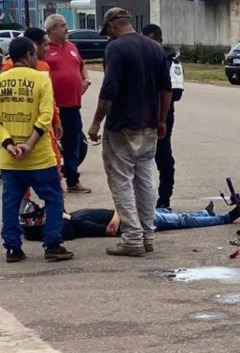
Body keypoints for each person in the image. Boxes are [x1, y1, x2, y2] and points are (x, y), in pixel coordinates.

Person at [88, 7, 172, 257]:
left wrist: (95, 123)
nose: (108, 36)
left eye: (108, 32)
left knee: (121, 180)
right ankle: (147, 236)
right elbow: (166, 89)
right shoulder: (156, 48)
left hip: (122, 126)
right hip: (148, 125)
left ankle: (132, 238)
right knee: (145, 181)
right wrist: (161, 120)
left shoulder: (116, 48)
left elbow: (109, 90)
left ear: (113, 25)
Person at [0, 37, 73, 263]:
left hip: (10, 159)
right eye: (35, 54)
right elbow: (45, 117)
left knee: (11, 204)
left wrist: (9, 144)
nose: (38, 58)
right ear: (28, 55)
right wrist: (29, 144)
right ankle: (52, 245)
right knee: (53, 200)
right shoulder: (40, 80)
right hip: (39, 158)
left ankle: (13, 249)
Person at [1, 27, 64, 191]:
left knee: (45, 166)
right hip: (30, 127)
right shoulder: (38, 68)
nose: (48, 49)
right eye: (45, 45)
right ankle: (47, 209)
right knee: (44, 168)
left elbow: (50, 100)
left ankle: (31, 208)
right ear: (33, 48)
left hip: (29, 126)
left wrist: (56, 120)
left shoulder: (40, 66)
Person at [21, 200, 240, 241]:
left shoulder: (70, 219)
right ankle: (225, 218)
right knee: (180, 220)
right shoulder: (74, 224)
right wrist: (119, 212)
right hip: (128, 221)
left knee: (169, 214)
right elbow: (108, 230)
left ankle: (204, 214)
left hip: (128, 216)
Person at [44, 14, 93, 194]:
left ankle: (72, 180)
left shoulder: (71, 47)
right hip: (51, 107)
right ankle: (52, 182)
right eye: (63, 25)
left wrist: (86, 79)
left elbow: (81, 65)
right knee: (49, 145)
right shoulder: (43, 49)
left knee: (74, 144)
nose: (66, 28)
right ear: (52, 30)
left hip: (72, 105)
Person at [141, 23, 184, 209]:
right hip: (141, 115)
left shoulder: (171, 60)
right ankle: (142, 200)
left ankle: (164, 199)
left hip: (163, 115)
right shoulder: (140, 58)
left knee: (163, 156)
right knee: (139, 158)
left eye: (151, 42)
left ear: (160, 40)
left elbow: (176, 92)